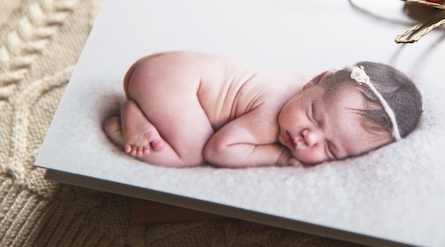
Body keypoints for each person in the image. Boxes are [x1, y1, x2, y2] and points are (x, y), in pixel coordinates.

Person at [103, 51, 422, 168]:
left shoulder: (305, 91)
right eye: (313, 115)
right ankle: (127, 122)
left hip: (163, 67)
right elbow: (220, 149)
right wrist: (278, 156)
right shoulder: (271, 116)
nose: (309, 138)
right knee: (190, 153)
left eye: (331, 148)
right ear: (314, 81)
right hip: (174, 82)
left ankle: (141, 105)